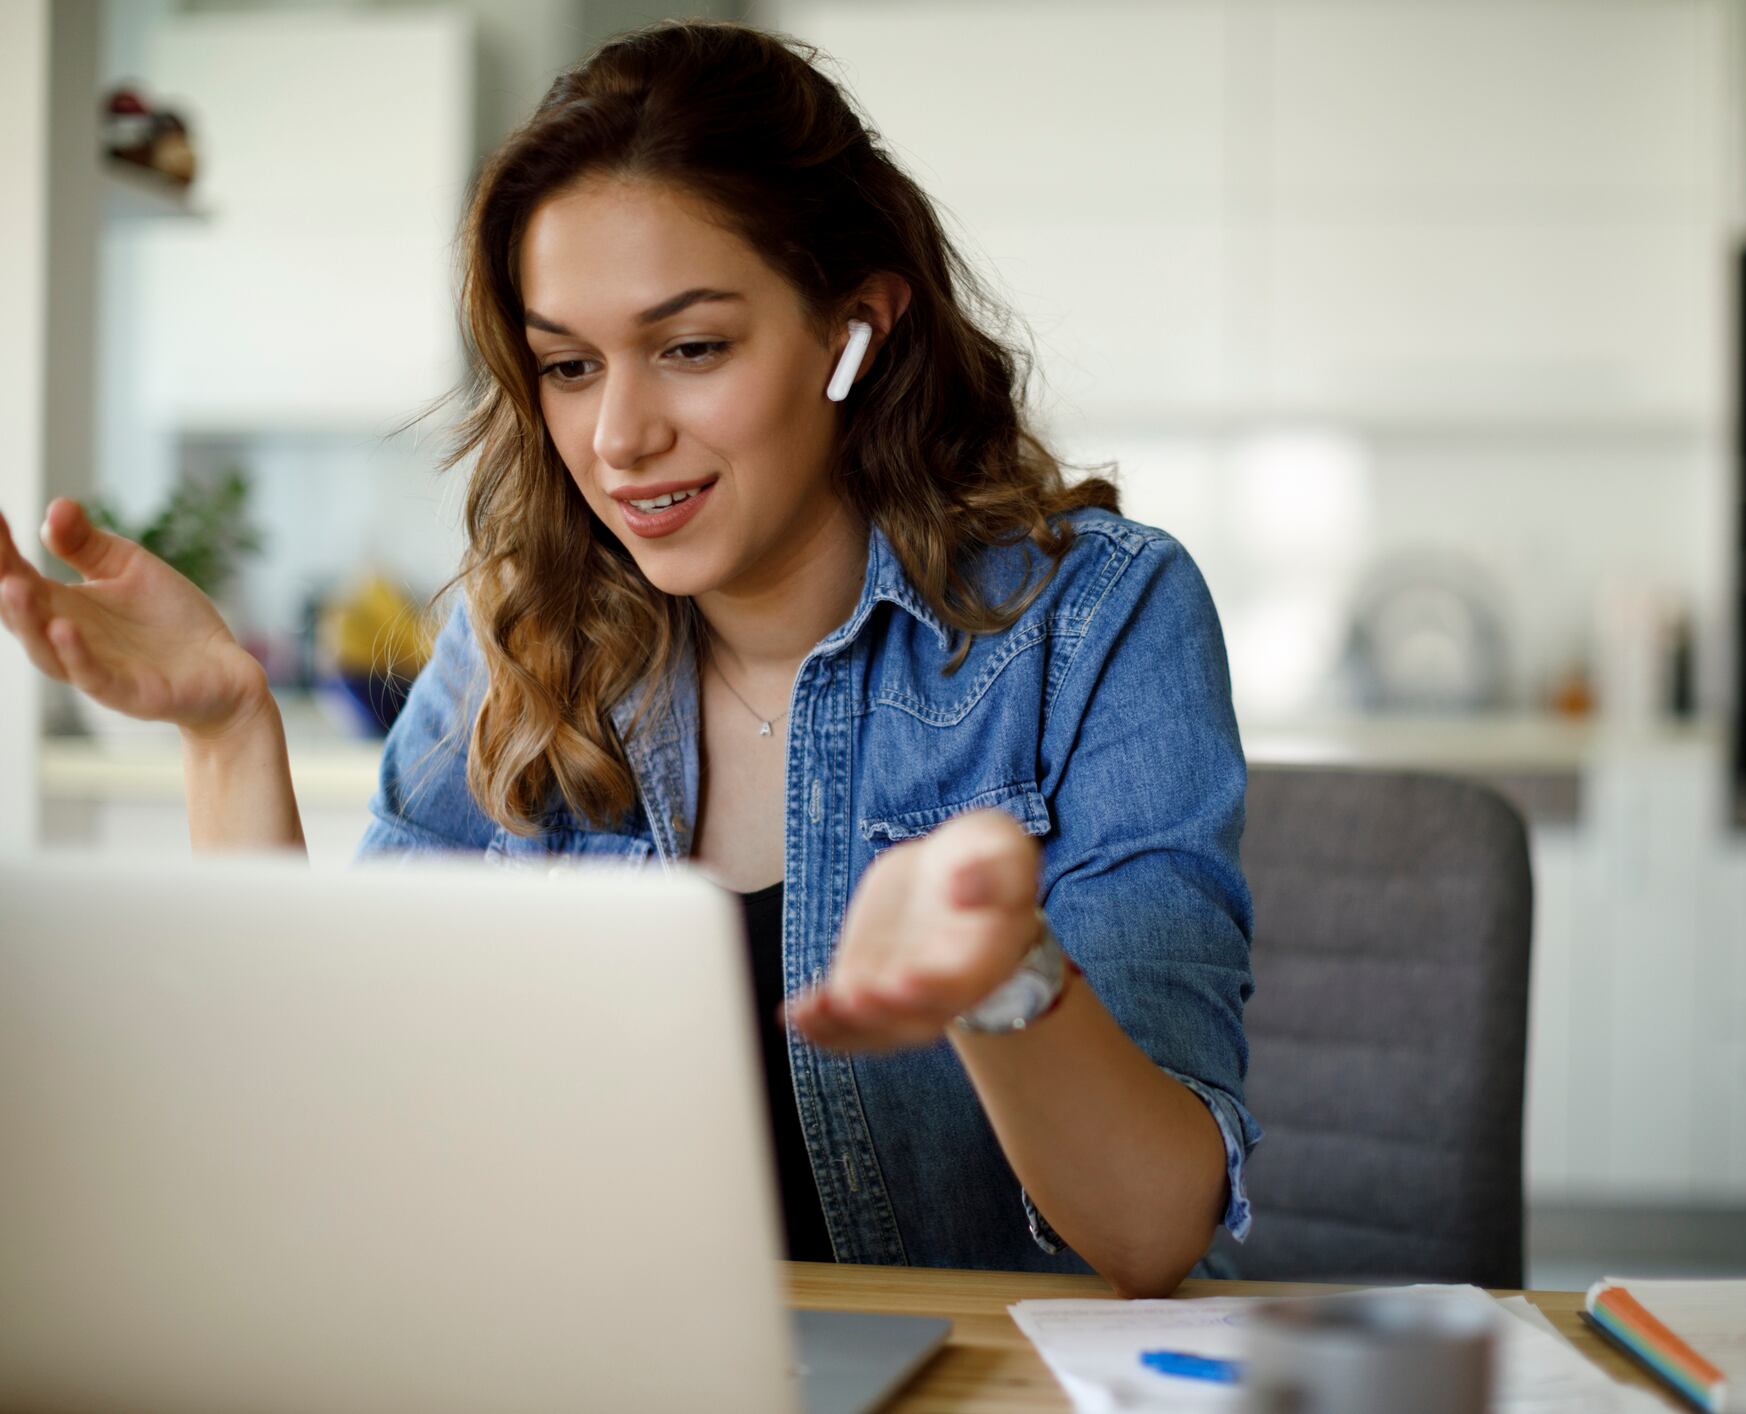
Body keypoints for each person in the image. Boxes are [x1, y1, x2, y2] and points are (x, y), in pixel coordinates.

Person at [0, 20, 1256, 1298]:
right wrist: (226, 733)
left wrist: (1006, 976)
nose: (617, 436)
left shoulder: (1097, 620)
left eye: (692, 347)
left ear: (855, 330)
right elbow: (327, 1110)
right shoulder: (523, 639)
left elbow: (1151, 1231)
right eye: (567, 365)